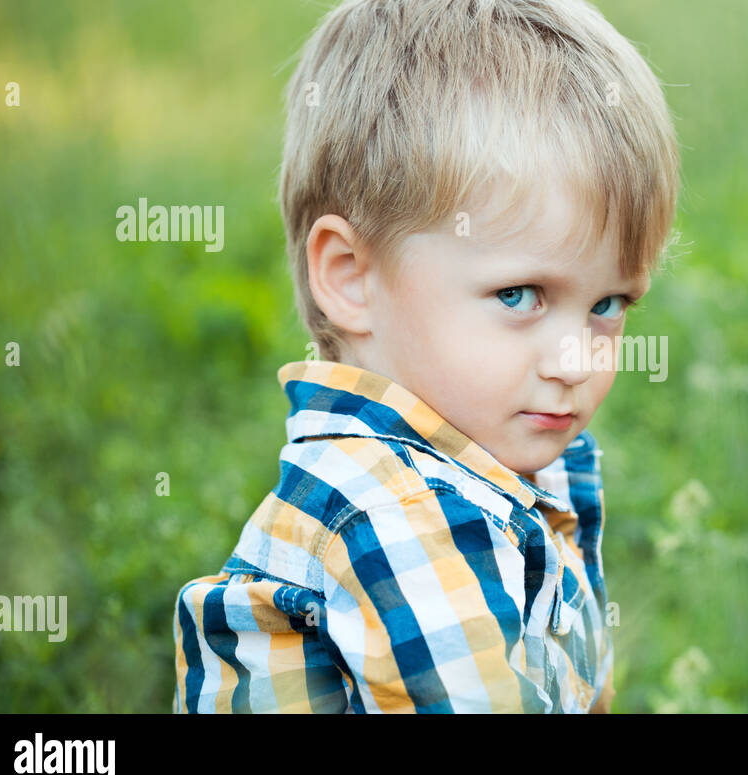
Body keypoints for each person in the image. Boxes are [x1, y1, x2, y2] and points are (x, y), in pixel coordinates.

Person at [172, 0, 679, 712]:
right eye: (519, 294)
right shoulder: (398, 514)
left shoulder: (487, 464)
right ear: (351, 277)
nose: (575, 360)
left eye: (609, 306)